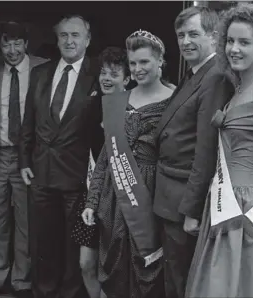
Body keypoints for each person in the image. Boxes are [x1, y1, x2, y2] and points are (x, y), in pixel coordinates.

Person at [186, 3, 253, 297]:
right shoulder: (239, 88)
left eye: (244, 42)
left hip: (249, 208)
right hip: (223, 201)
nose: (234, 48)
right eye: (230, 41)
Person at [83, 31, 173, 298]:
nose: (137, 69)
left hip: (150, 194)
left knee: (146, 269)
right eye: (133, 63)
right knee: (112, 265)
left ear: (160, 61)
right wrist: (92, 200)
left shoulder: (175, 100)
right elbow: (105, 156)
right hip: (114, 195)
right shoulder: (118, 101)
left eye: (144, 62)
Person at [19, 14, 103, 298]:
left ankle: (69, 293)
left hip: (77, 175)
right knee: (43, 240)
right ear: (56, 39)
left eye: (76, 35)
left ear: (88, 40)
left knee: (72, 243)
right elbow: (28, 121)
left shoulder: (98, 75)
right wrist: (24, 161)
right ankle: (43, 291)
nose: (69, 41)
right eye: (64, 35)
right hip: (41, 172)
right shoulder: (40, 73)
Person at [152, 6, 234, 298]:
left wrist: (192, 211)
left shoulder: (214, 78)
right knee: (173, 277)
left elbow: (206, 150)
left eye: (194, 34)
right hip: (169, 195)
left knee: (181, 281)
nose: (185, 41)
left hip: (183, 201)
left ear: (214, 37)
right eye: (181, 35)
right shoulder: (194, 73)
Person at [0, 21, 48, 298]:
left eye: (17, 43)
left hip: (28, 158)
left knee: (25, 219)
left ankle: (22, 280)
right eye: (6, 44)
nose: (12, 50)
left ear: (26, 44)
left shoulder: (44, 68)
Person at [70, 46, 130, 298]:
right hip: (93, 194)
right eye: (103, 73)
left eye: (114, 74)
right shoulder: (92, 105)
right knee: (86, 264)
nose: (106, 78)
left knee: (115, 267)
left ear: (127, 79)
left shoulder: (135, 108)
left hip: (125, 196)